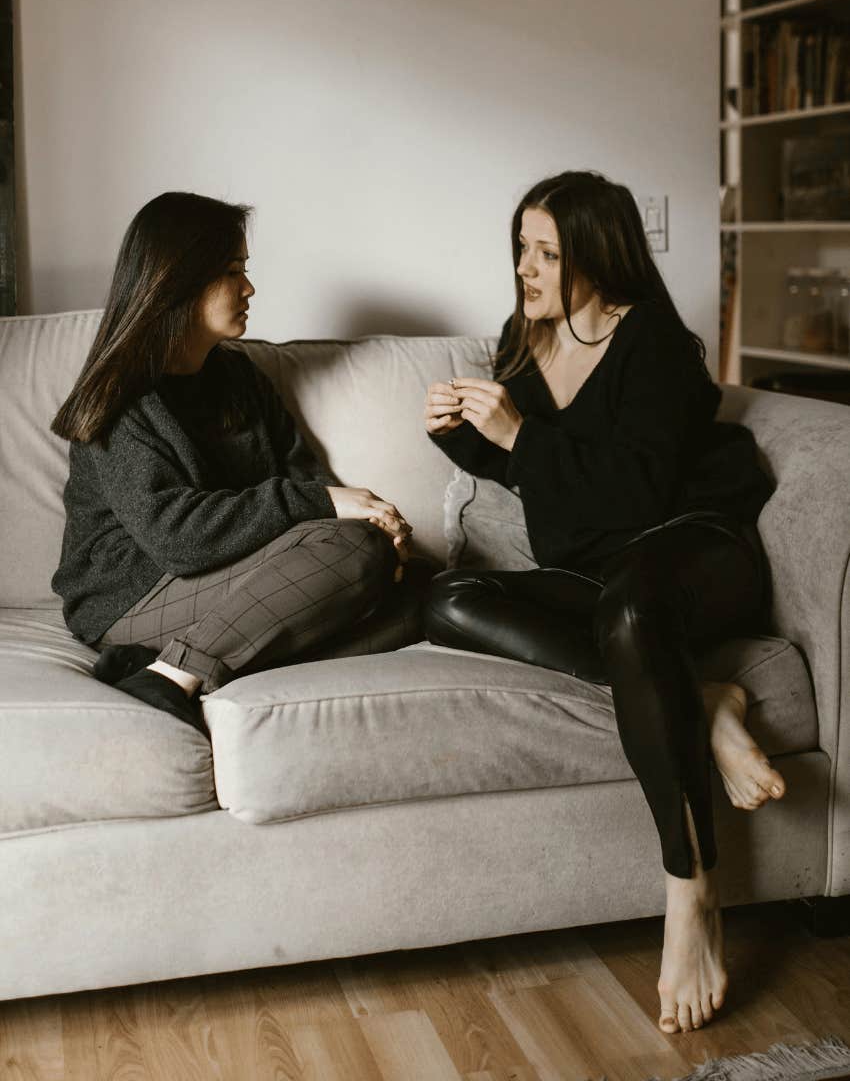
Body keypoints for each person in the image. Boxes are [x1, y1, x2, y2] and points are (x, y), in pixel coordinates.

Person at [423, 171, 785, 1036]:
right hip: (610, 571)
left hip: (698, 547)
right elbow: (547, 484)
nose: (527, 269)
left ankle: (691, 890)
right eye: (523, 248)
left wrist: (519, 434)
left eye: (549, 253)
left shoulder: (651, 338)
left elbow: (635, 495)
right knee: (448, 598)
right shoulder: (528, 339)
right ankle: (700, 700)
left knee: (629, 613)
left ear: (597, 257)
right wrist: (466, 438)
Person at [52, 191, 413, 736]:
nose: (248, 288)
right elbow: (177, 538)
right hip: (131, 595)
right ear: (179, 280)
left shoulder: (240, 377)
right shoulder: (121, 396)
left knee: (415, 594)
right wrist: (332, 513)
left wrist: (374, 522)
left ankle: (176, 662)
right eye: (231, 271)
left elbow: (302, 475)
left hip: (231, 571)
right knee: (355, 553)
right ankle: (172, 676)